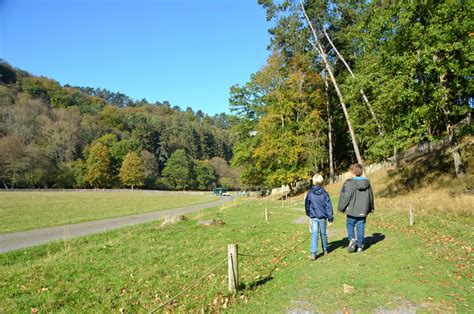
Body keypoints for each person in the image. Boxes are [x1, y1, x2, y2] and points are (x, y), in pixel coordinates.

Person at [337, 163, 375, 253]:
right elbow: (371, 196)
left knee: (350, 224)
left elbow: (346, 196)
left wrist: (341, 208)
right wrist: (371, 208)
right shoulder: (367, 183)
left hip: (351, 210)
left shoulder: (350, 183)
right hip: (363, 210)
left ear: (353, 172)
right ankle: (360, 246)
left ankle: (352, 239)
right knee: (360, 227)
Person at [305, 174, 334, 260]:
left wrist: (308, 213)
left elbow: (307, 204)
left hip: (314, 216)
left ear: (313, 181)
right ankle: (325, 250)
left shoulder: (310, 193)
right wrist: (330, 217)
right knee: (323, 233)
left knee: (314, 233)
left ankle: (313, 252)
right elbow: (328, 206)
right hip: (321, 216)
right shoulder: (324, 193)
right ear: (322, 181)